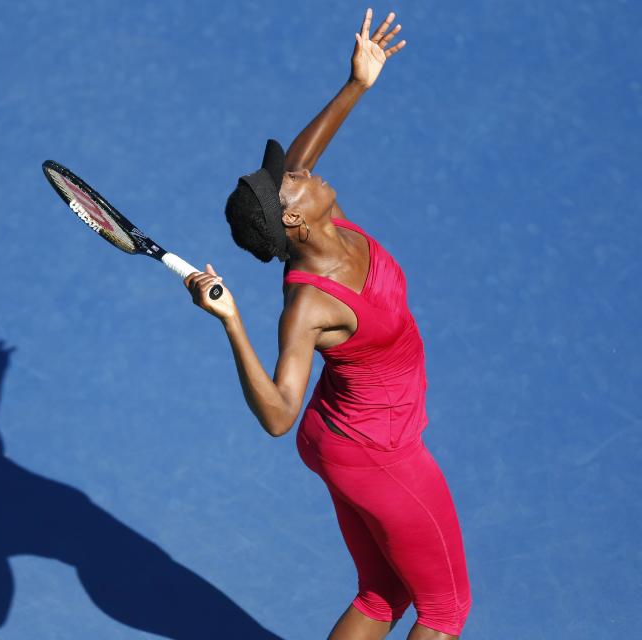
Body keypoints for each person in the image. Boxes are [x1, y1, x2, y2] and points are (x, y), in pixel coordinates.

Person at [184, 9, 471, 640]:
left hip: (342, 435)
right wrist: (232, 321)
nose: (301, 170)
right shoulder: (309, 304)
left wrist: (357, 84)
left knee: (381, 593)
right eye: (291, 182)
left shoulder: (318, 224)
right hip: (377, 453)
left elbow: (302, 153)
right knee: (446, 609)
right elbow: (279, 415)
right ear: (292, 221)